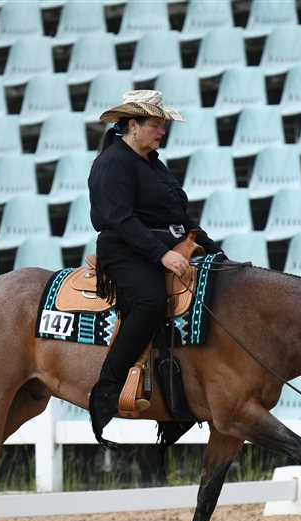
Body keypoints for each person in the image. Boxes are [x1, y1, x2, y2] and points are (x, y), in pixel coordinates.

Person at [87, 90, 223, 446]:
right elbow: (119, 220)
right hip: (125, 252)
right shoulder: (112, 163)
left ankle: (178, 393)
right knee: (150, 301)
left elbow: (180, 218)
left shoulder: (153, 164)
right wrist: (162, 255)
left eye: (163, 125)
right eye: (155, 125)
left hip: (164, 248)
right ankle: (108, 388)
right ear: (133, 126)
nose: (162, 132)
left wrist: (216, 252)